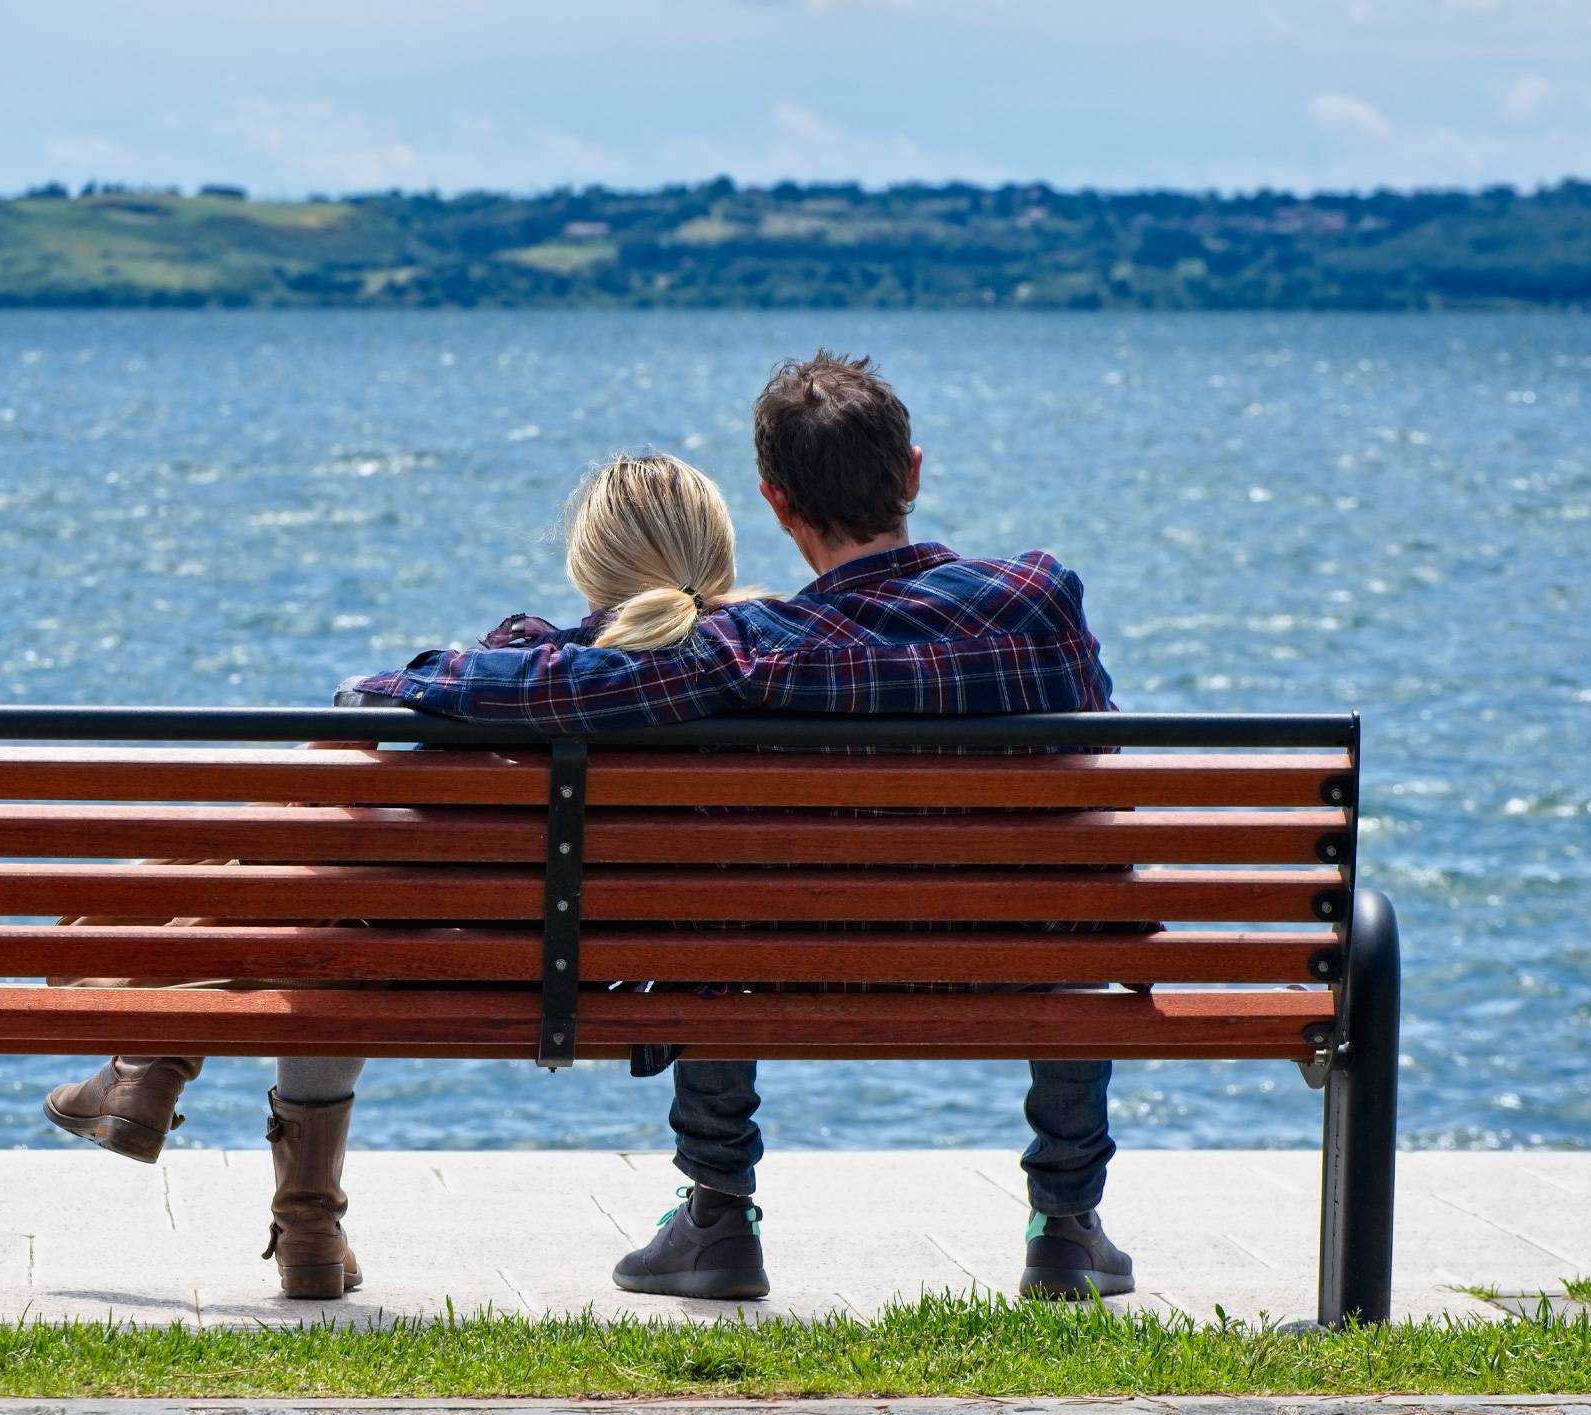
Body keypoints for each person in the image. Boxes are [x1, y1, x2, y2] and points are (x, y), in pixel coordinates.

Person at [345, 351, 1138, 1303]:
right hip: (1017, 955)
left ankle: (719, 1214)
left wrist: (396, 686)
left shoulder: (753, 649)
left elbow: (559, 685)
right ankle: (1064, 1225)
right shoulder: (1042, 601)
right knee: (1070, 904)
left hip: (797, 954)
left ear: (774, 501)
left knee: (714, 900)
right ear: (913, 472)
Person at [40, 452, 769, 1301]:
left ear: (591, 562)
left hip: (458, 955)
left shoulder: (529, 668)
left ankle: (162, 1065)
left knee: (341, 874)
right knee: (343, 879)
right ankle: (180, 1090)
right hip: (635, 974)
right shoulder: (768, 675)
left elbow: (365, 698)